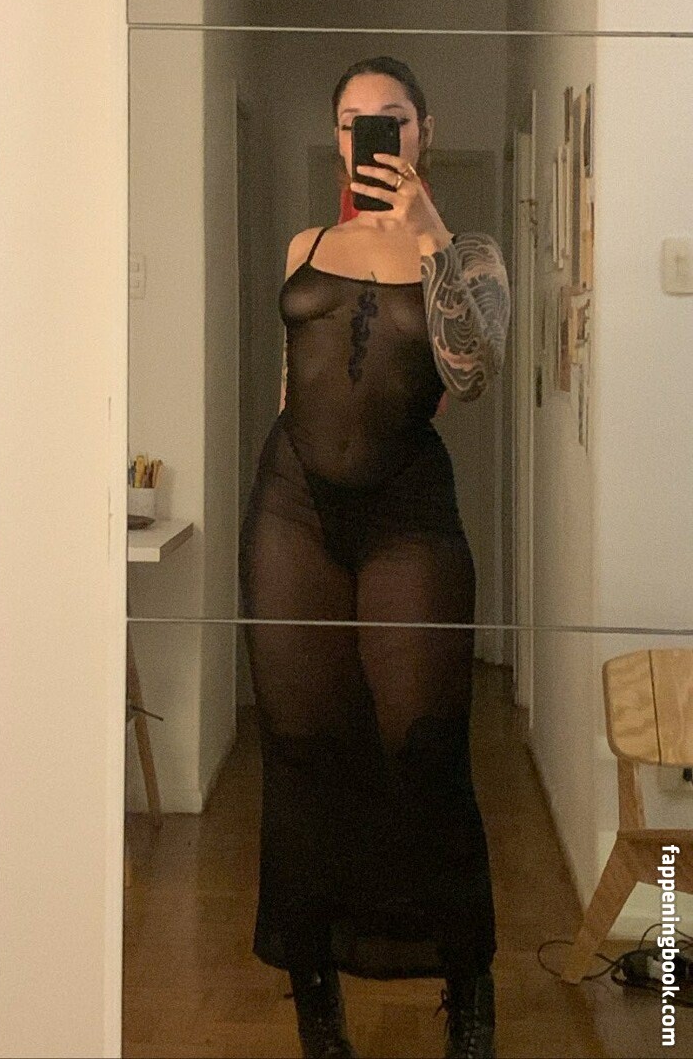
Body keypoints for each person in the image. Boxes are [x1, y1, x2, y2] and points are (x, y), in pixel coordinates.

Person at [239, 57, 510, 1059]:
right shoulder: (308, 242)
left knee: (425, 745)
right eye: (353, 121)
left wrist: (427, 229)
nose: (370, 135)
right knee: (302, 748)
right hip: (292, 509)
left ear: (423, 131)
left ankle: (467, 986)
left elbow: (471, 372)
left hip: (407, 512)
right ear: (338, 136)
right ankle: (316, 997)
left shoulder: (469, 252)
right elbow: (293, 383)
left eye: (389, 118)